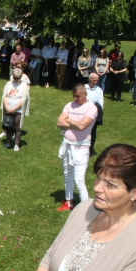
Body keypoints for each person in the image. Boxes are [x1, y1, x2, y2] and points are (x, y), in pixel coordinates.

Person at [30, 144, 136, 271]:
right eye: (98, 178)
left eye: (110, 185)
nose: (97, 188)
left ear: (135, 193)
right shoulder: (84, 209)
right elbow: (49, 258)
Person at [56, 83, 98, 211]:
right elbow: (59, 122)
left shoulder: (91, 108)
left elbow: (82, 126)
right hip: (67, 145)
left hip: (81, 147)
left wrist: (68, 120)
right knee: (67, 174)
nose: (75, 99)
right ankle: (69, 202)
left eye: (78, 96)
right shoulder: (69, 105)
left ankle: (85, 208)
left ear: (85, 94)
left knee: (79, 179)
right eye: (74, 96)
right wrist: (75, 123)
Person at [1, 68, 30, 152]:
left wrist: (15, 108)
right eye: (14, 78)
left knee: (17, 127)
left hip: (18, 110)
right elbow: (5, 96)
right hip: (8, 108)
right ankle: (8, 142)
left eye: (18, 78)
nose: (16, 80)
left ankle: (16, 143)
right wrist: (7, 107)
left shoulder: (24, 86)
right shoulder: (9, 84)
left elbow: (23, 99)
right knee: (8, 126)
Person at [85, 73, 104, 156]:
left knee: (92, 133)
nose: (96, 82)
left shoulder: (99, 90)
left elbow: (100, 105)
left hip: (93, 114)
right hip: (82, 113)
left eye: (97, 80)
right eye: (94, 80)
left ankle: (89, 150)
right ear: (89, 79)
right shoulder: (83, 88)